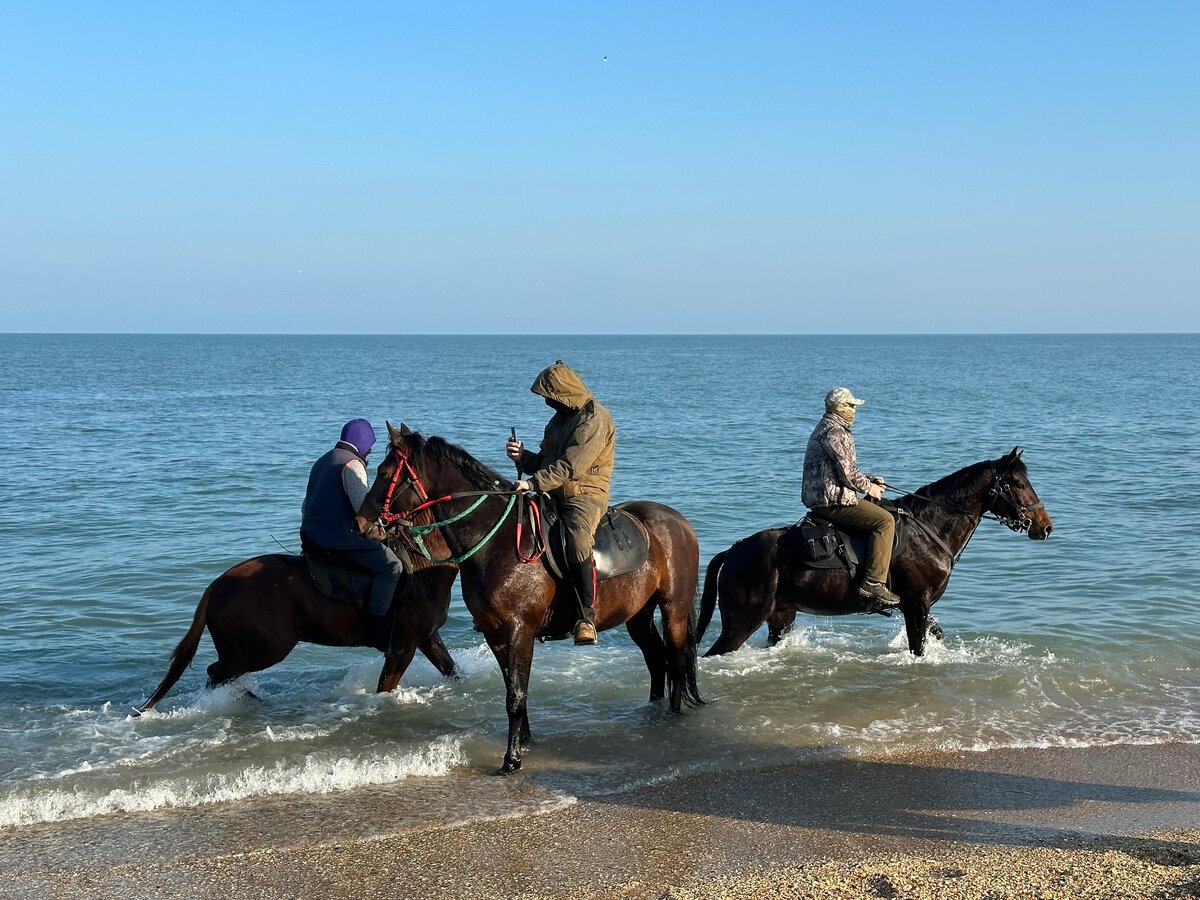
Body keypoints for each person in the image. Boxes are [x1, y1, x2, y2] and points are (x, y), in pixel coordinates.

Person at [506, 361, 616, 645]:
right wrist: (523, 457)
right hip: (553, 491)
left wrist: (532, 484)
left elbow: (570, 467)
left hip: (584, 495)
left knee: (577, 539)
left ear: (564, 392)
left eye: (549, 396)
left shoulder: (595, 420)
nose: (546, 402)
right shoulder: (558, 421)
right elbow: (546, 463)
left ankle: (586, 617)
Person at [300, 418, 407, 644]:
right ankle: (377, 626)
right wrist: (386, 528)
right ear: (363, 444)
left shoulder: (321, 461)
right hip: (340, 540)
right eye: (370, 447)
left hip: (310, 539)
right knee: (392, 567)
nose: (369, 453)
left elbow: (305, 506)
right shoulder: (353, 464)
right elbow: (363, 509)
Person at [801, 387, 901, 609]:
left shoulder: (829, 427)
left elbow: (844, 469)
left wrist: (870, 480)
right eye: (851, 406)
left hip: (829, 496)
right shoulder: (835, 432)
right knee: (885, 521)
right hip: (831, 501)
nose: (854, 411)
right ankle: (873, 582)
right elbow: (846, 474)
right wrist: (869, 488)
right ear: (840, 407)